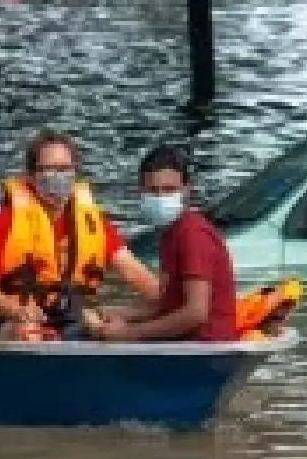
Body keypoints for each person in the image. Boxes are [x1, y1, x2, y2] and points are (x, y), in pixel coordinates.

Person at [0, 131, 158, 340]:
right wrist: (16, 310)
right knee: (27, 334)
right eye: (47, 169)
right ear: (31, 176)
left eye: (63, 169)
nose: (56, 176)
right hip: (18, 317)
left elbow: (133, 270)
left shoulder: (92, 220)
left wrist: (168, 303)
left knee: (115, 324)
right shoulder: (8, 220)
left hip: (71, 314)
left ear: (74, 172)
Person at [88, 146, 239, 343]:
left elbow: (196, 312)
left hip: (202, 346)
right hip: (185, 339)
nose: (160, 198)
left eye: (169, 190)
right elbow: (170, 306)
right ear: (141, 192)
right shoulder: (171, 232)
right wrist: (127, 314)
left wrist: (128, 334)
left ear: (185, 190)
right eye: (153, 190)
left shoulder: (192, 234)